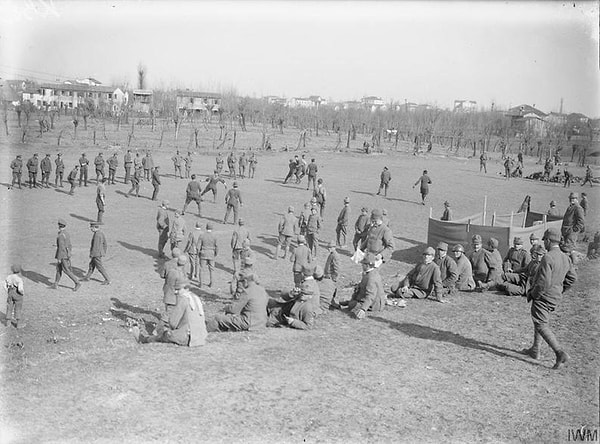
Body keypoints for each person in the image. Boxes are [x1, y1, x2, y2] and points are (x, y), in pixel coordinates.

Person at [521, 228, 576, 369]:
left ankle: (560, 353)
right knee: (539, 320)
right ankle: (535, 349)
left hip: (543, 296)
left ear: (548, 241)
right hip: (554, 296)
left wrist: (534, 294)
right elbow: (572, 278)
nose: (544, 243)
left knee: (541, 324)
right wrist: (560, 290)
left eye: (544, 240)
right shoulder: (565, 257)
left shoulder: (548, 257)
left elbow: (543, 282)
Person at [133, 284, 207, 346]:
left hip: (189, 338)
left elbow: (173, 323)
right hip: (202, 337)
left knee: (165, 334)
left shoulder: (183, 299)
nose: (176, 292)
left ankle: (144, 340)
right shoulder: (196, 298)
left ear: (186, 289)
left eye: (178, 289)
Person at [340, 253, 386, 318]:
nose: (361, 265)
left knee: (352, 305)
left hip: (374, 304)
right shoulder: (370, 272)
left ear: (367, 265)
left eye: (363, 264)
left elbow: (371, 295)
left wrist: (363, 309)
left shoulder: (371, 278)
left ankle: (350, 303)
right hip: (368, 298)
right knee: (354, 300)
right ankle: (351, 302)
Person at [51, 218, 82, 291]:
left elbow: (61, 248)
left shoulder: (61, 235)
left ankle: (77, 282)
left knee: (66, 270)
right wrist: (69, 253)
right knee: (59, 269)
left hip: (62, 255)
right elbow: (69, 245)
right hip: (66, 254)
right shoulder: (66, 233)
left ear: (59, 226)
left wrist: (59, 258)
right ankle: (55, 284)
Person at [560, 192, 585, 258]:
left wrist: (574, 230)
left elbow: (581, 221)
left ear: (577, 199)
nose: (572, 200)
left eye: (573, 198)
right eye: (571, 198)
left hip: (571, 232)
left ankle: (572, 265)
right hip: (566, 231)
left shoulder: (578, 208)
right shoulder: (570, 207)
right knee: (564, 248)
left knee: (568, 249)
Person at [3, 264, 25, 328]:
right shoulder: (19, 279)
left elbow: (4, 285)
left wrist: (8, 291)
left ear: (12, 270)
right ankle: (18, 324)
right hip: (17, 294)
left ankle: (8, 322)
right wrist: (22, 293)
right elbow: (20, 289)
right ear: (19, 271)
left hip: (10, 292)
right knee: (18, 307)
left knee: (9, 306)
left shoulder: (8, 277)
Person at [198, 222, 218, 288]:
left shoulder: (202, 235)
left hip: (203, 253)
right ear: (212, 228)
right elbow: (217, 246)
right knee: (212, 270)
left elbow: (198, 246)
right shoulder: (214, 236)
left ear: (206, 227)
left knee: (202, 269)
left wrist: (199, 253)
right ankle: (212, 283)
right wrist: (215, 253)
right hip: (211, 253)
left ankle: (201, 283)